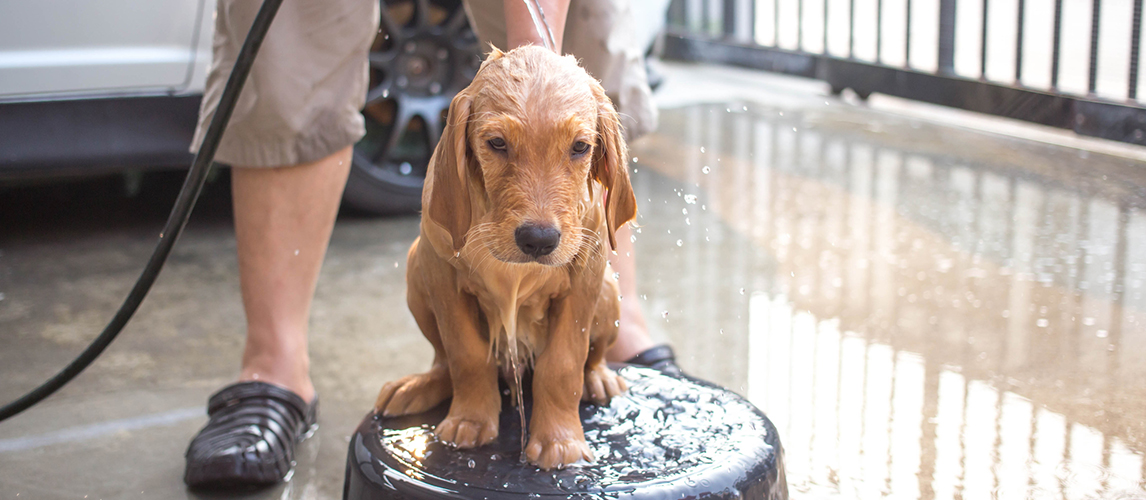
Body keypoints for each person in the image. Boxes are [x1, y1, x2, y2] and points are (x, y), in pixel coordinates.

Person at [182, 0, 678, 488]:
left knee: (585, 35)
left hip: (578, 306)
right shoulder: (452, 174)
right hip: (464, 305)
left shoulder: (597, 152)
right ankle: (276, 364)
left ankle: (616, 335)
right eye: (497, 144)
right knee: (290, 47)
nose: (538, 214)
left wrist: (537, 62)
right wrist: (467, 378)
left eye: (580, 148)